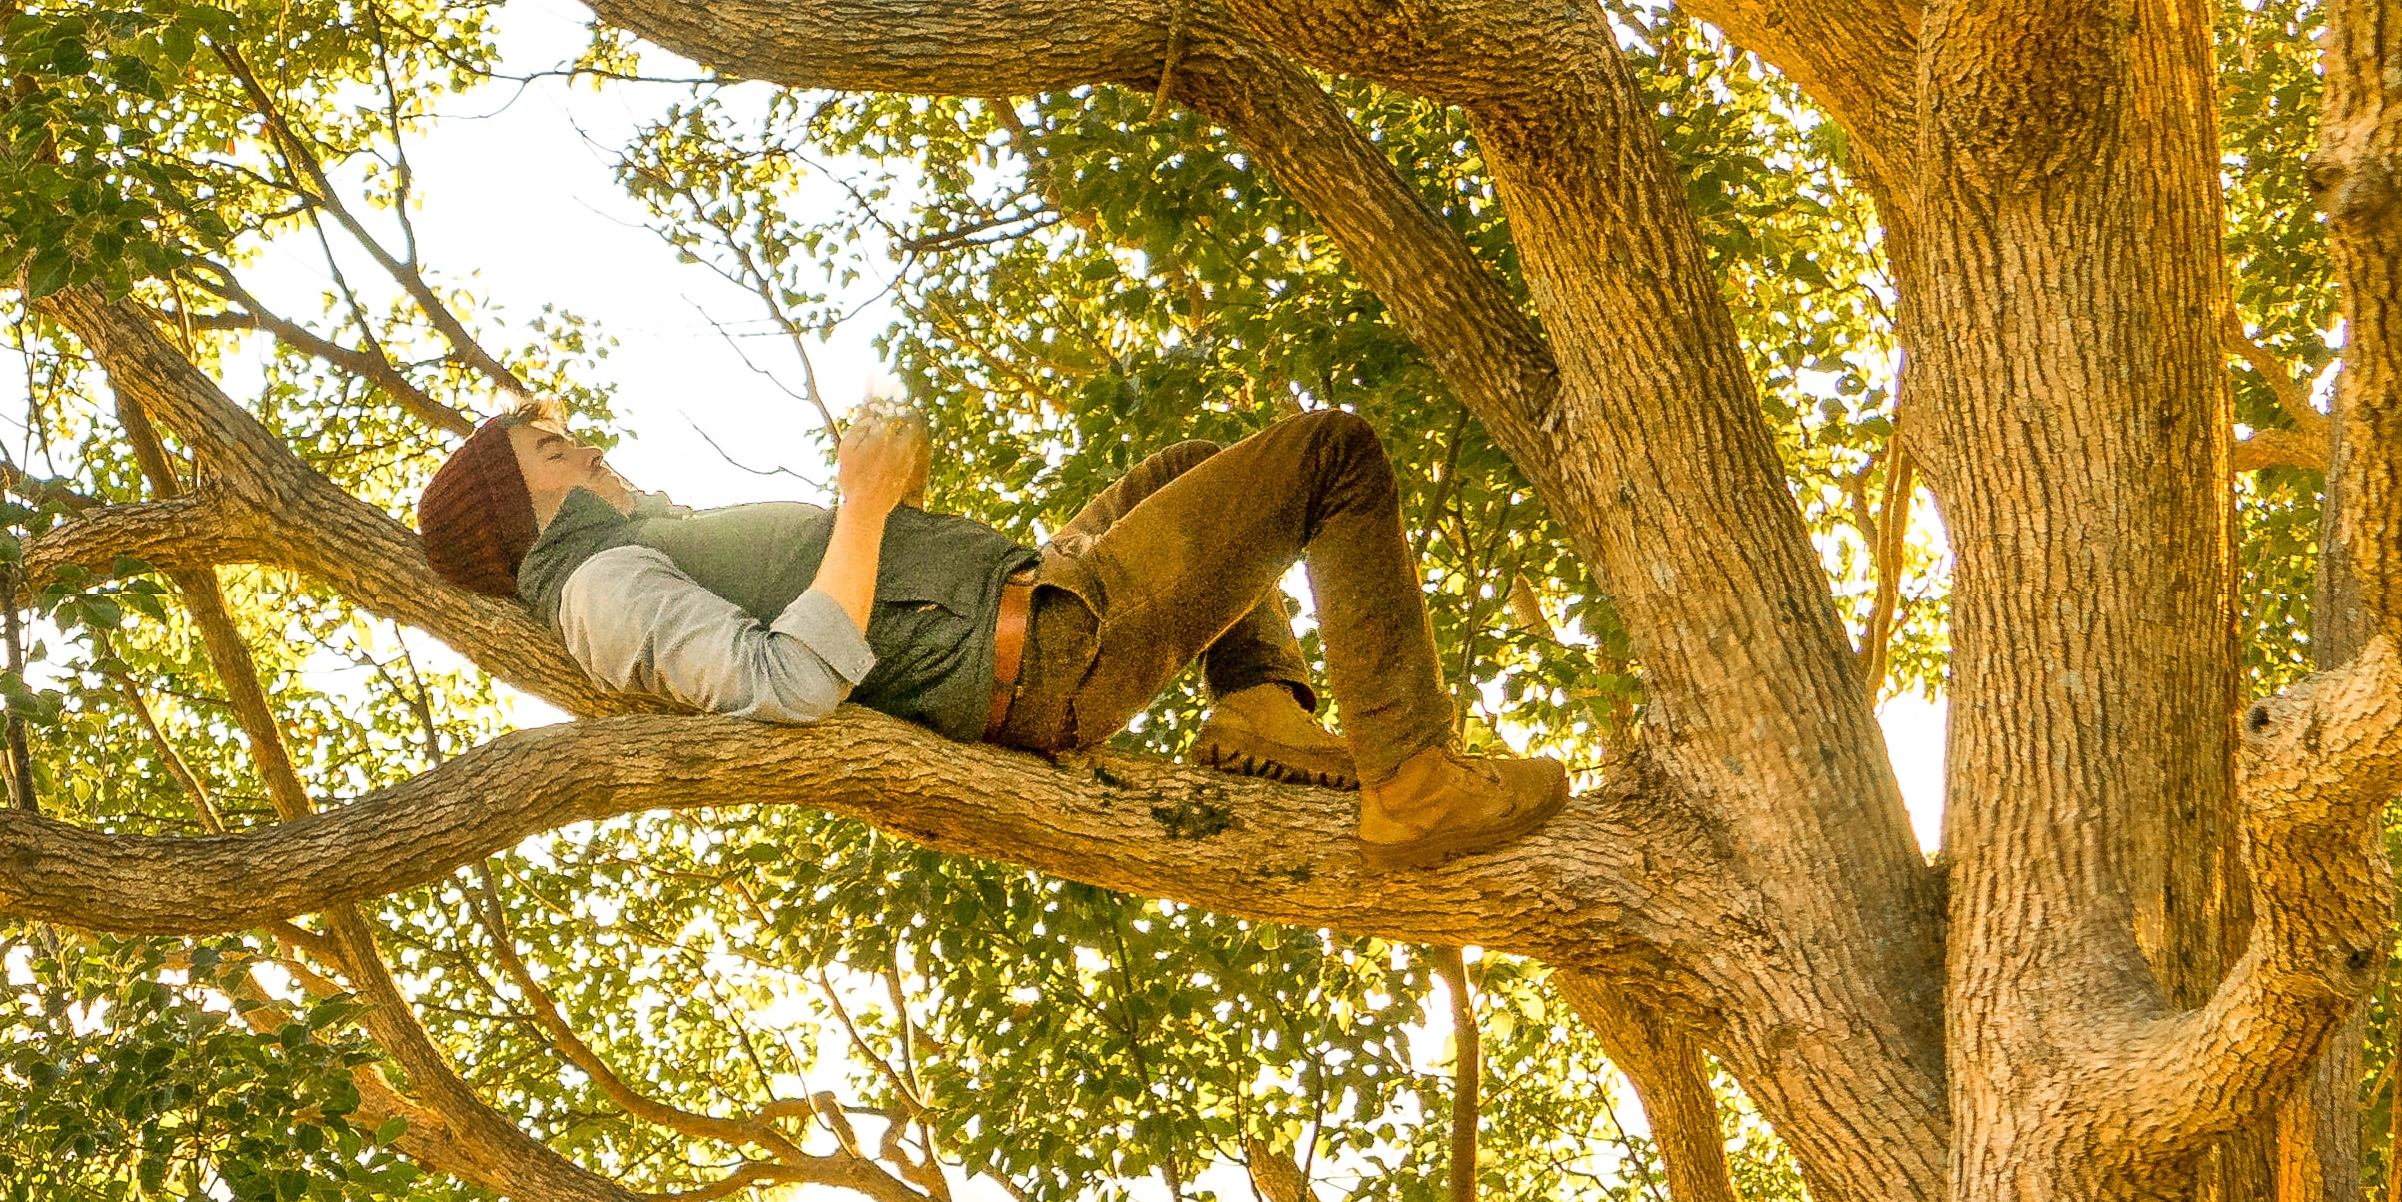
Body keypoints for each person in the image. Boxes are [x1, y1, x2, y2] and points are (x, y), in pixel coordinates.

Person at [405, 392, 1572, 861]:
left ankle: (1259, 704)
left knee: (1194, 465)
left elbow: (841, 603)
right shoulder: (602, 587)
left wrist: (886, 514)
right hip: (1042, 656)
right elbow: (785, 682)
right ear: (522, 505)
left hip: (1028, 603)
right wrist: (861, 505)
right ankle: (1410, 779)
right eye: (553, 449)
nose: (588, 443)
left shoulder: (635, 545)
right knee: (1331, 454)